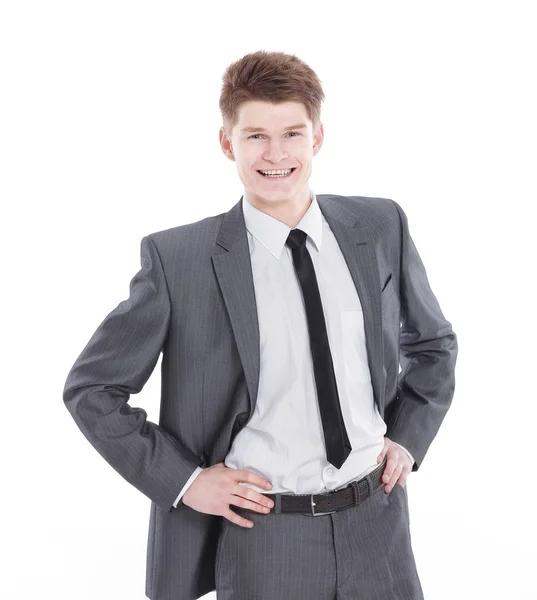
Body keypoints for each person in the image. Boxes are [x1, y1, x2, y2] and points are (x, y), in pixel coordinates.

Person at [63, 50, 458, 600]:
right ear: (227, 142)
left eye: (292, 134)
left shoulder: (379, 224)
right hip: (266, 537)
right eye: (255, 136)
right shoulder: (180, 259)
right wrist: (187, 482)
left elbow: (434, 344)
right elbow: (91, 390)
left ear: (318, 136)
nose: (276, 154)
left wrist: (409, 438)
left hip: (378, 524)